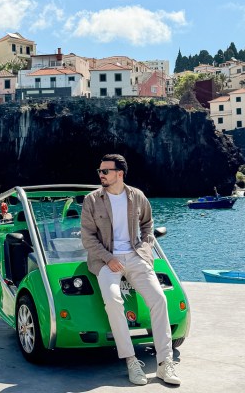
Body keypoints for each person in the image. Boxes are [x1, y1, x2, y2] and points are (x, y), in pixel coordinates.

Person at [80, 153, 181, 386]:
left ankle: (165, 363)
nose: (101, 175)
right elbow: (88, 237)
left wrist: (145, 253)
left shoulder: (137, 196)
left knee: (159, 300)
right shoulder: (92, 200)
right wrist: (108, 258)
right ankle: (131, 360)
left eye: (105, 171)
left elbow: (148, 225)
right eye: (99, 171)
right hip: (104, 260)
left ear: (119, 174)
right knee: (114, 300)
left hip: (136, 257)